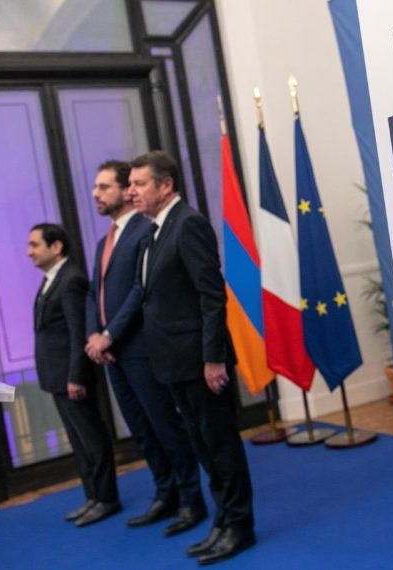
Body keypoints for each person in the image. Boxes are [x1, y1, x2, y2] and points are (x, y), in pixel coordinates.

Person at [128, 151, 255, 564]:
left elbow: (211, 295)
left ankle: (240, 527)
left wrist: (213, 358)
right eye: (130, 185)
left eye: (139, 184)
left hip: (202, 362)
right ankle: (223, 520)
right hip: (174, 363)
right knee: (203, 448)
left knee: (220, 446)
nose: (131, 192)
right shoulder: (153, 232)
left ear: (166, 185)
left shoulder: (188, 224)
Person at [83, 160, 203, 534]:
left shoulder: (144, 230)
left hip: (141, 347)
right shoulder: (104, 242)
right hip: (113, 354)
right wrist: (94, 336)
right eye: (96, 187)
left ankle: (191, 500)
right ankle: (165, 494)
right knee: (141, 430)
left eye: (104, 187)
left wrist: (111, 334)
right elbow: (94, 293)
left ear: (124, 191)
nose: (95, 194)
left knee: (165, 425)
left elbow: (140, 289)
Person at [27, 223, 119, 526]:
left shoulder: (71, 280)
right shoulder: (51, 279)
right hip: (57, 376)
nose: (29, 252)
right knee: (79, 441)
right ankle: (93, 496)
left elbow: (78, 332)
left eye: (35, 245)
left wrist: (76, 376)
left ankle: (106, 498)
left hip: (72, 376)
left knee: (92, 439)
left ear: (56, 247)